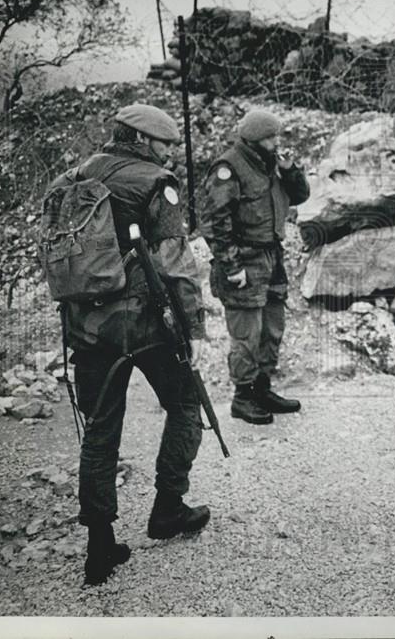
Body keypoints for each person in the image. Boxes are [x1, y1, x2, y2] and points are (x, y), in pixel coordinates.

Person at [55, 103, 210, 586]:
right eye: (165, 145)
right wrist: (196, 327)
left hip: (86, 326)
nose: (169, 154)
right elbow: (175, 261)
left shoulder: (73, 176)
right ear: (144, 141)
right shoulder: (155, 182)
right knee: (185, 406)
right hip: (146, 326)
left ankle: (99, 547)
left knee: (100, 432)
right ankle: (167, 510)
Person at [201, 108, 310, 425]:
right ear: (255, 139)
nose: (278, 142)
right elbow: (215, 223)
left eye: (278, 136)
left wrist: (290, 170)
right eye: (271, 137)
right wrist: (232, 265)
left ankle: (262, 389)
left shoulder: (271, 164)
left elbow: (300, 195)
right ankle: (243, 398)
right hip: (244, 261)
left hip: (272, 258)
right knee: (246, 334)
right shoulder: (228, 168)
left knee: (272, 328)